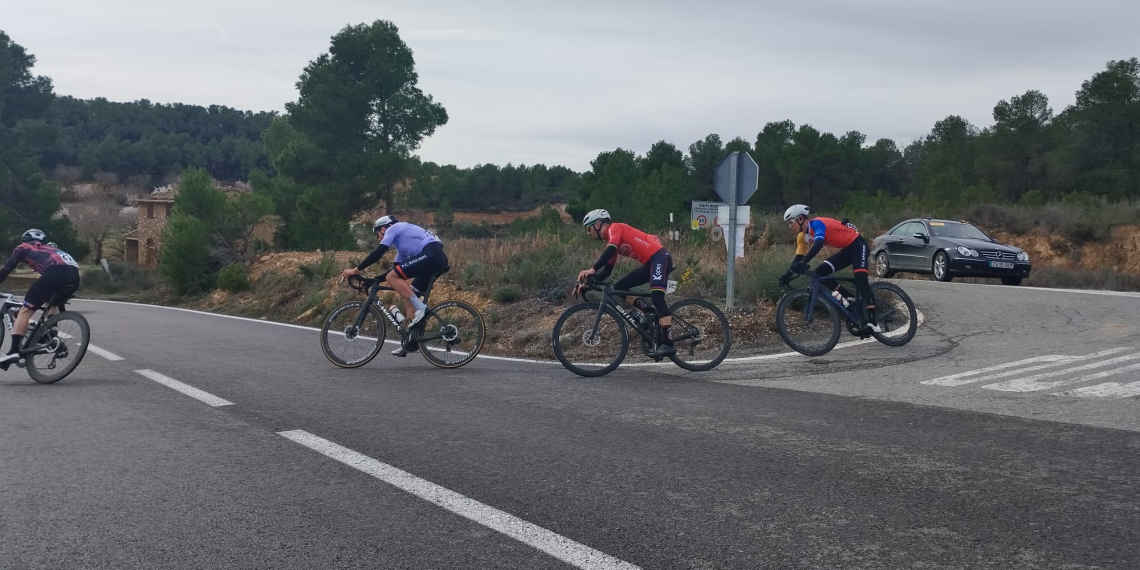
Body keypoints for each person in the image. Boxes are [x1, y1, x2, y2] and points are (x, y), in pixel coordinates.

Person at [340, 215, 447, 357]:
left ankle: (422, 309)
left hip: (431, 254)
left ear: (384, 228)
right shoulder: (401, 246)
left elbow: (378, 253)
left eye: (377, 234)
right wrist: (374, 280)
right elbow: (395, 270)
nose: (378, 238)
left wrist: (355, 270)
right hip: (434, 257)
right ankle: (410, 341)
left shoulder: (394, 228)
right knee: (410, 296)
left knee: (394, 279)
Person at [576, 209, 676, 358]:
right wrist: (589, 285)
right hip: (650, 263)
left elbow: (610, 251)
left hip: (660, 258)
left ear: (597, 224)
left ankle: (668, 343)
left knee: (657, 298)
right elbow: (607, 271)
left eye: (588, 228)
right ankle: (649, 312)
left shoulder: (615, 228)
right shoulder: (612, 242)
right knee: (620, 287)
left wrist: (592, 269)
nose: (588, 233)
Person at [777, 204, 880, 335]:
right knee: (819, 273)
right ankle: (850, 297)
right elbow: (798, 257)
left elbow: (818, 244)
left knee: (861, 281)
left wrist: (805, 261)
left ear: (801, 219)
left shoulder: (817, 224)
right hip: (846, 251)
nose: (790, 226)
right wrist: (787, 275)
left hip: (858, 246)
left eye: (791, 222)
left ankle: (873, 323)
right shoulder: (801, 237)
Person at [0, 229, 82, 370]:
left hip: (55, 273)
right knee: (52, 303)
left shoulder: (23, 247)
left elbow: (7, 269)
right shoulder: (53, 249)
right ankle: (52, 335)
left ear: (24, 240)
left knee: (25, 310)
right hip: (75, 277)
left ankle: (13, 351)